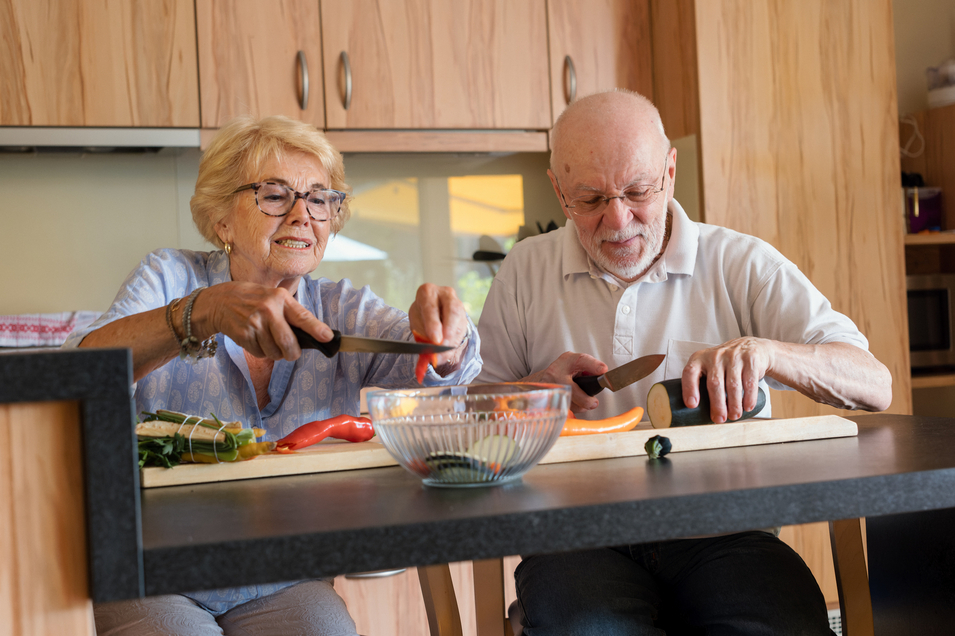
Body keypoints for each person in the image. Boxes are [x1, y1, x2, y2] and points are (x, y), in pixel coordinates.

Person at [476, 90, 892, 635]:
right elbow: (465, 415)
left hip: (728, 536)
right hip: (574, 537)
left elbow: (872, 382)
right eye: (591, 198)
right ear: (559, 191)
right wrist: (528, 393)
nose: (619, 218)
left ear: (670, 171)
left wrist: (766, 353)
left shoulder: (741, 263)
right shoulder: (526, 270)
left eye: (637, 190)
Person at [64, 115, 482, 636]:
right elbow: (80, 374)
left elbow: (436, 380)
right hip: (155, 573)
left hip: (284, 577)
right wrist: (204, 311)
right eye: (275, 195)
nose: (304, 214)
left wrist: (447, 338)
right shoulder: (169, 277)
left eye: (320, 198)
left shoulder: (342, 306)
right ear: (221, 221)